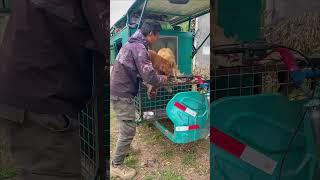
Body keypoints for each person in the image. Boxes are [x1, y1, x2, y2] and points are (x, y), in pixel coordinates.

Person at [0, 0, 107, 179]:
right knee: (53, 171)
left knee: (36, 170)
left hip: (20, 85)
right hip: (42, 96)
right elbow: (105, 23)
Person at [110, 20, 168, 179]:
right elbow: (149, 75)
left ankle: (125, 149)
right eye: (157, 36)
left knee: (126, 124)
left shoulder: (133, 44)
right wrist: (163, 79)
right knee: (128, 128)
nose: (157, 39)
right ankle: (116, 165)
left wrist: (150, 86)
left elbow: (139, 73)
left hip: (120, 89)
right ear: (151, 34)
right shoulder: (139, 48)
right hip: (122, 93)